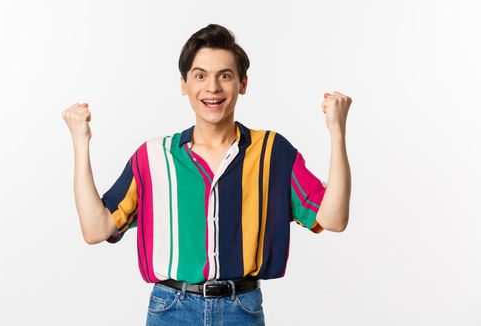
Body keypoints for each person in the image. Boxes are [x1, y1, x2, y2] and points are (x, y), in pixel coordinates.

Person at [62, 23, 352, 326]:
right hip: (171, 309)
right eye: (200, 75)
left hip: (243, 309)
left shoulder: (272, 152)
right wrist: (80, 142)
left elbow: (333, 218)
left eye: (224, 76)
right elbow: (96, 229)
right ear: (184, 84)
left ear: (243, 83)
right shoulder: (152, 156)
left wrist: (337, 132)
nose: (212, 87)